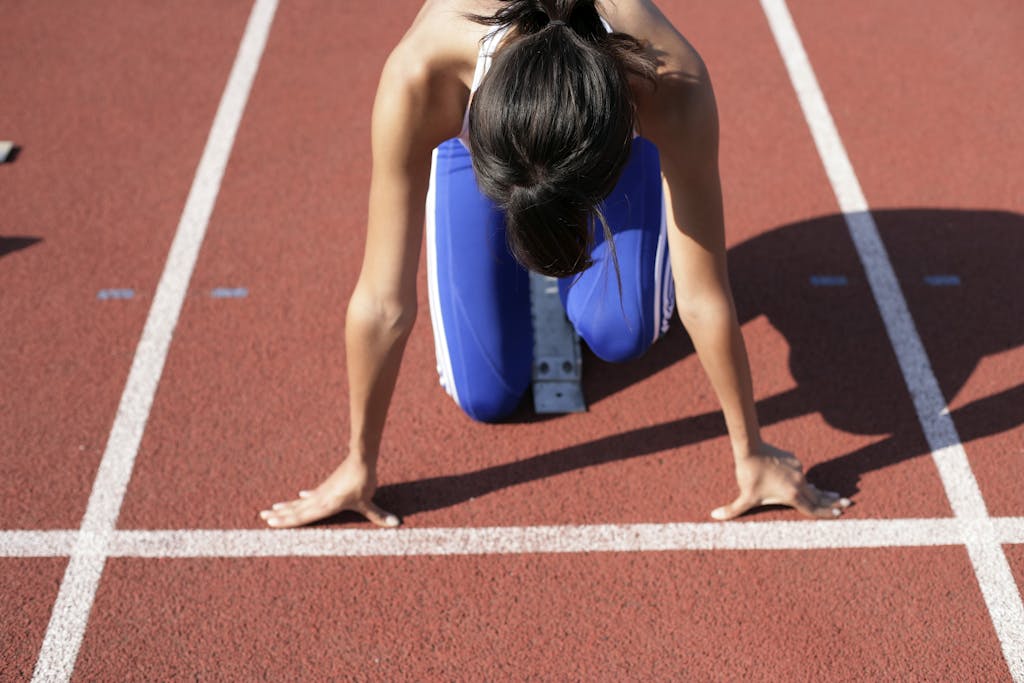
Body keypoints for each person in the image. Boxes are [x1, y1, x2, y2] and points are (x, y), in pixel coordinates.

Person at [260, 0, 851, 529]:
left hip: (609, 137)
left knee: (623, 332)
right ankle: (509, 212)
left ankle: (598, 240)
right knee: (486, 397)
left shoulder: (669, 83)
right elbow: (382, 300)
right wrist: (358, 462)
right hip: (484, 145)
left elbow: (703, 291)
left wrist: (750, 452)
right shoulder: (423, 76)